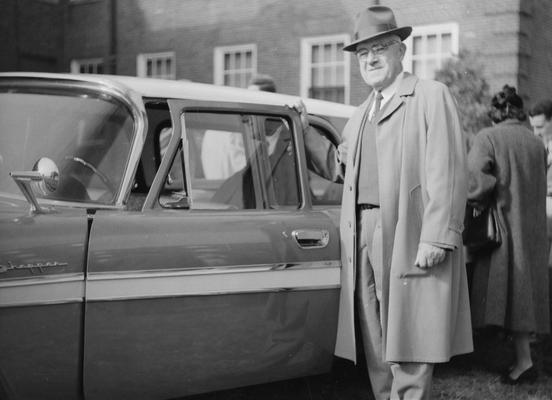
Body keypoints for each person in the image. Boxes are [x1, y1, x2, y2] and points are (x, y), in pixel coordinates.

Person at [325, 6, 473, 400]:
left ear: (400, 51)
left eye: (379, 48)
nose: (370, 59)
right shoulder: (359, 116)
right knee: (373, 334)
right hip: (361, 233)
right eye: (362, 53)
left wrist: (437, 237)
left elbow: (450, 170)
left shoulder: (429, 96)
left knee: (409, 334)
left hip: (407, 230)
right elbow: (349, 170)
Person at [467, 85, 550, 384]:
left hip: (501, 231)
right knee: (522, 298)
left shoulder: (488, 137)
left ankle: (522, 363)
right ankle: (521, 361)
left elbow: (474, 186)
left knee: (505, 295)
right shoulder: (536, 143)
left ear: (495, 114)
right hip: (533, 232)